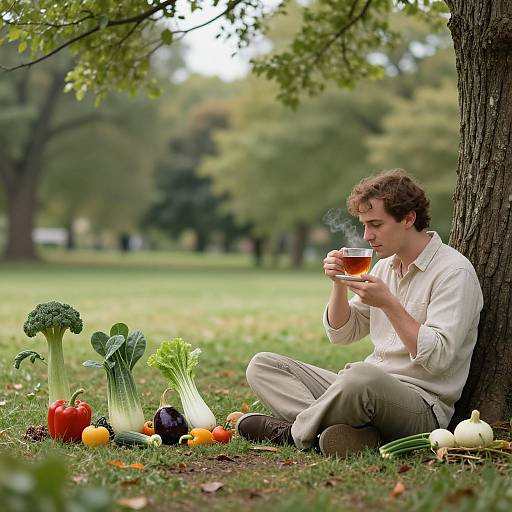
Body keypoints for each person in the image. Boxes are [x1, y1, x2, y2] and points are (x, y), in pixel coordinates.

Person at [236, 169, 483, 457]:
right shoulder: (384, 266)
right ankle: (342, 435)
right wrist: (339, 284)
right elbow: (343, 333)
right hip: (366, 389)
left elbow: (440, 359)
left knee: (360, 377)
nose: (367, 235)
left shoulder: (454, 272)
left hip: (420, 405)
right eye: (364, 225)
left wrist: (389, 304)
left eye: (376, 224)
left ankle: (293, 433)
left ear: (408, 219)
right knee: (264, 365)